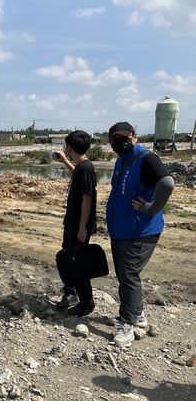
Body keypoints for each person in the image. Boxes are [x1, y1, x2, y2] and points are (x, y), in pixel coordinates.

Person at [106, 122, 175, 347]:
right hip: (122, 230)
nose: (120, 141)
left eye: (124, 137)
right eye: (115, 138)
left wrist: (151, 208)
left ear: (134, 136)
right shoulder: (121, 161)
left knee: (128, 275)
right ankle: (138, 313)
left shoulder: (146, 159)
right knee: (126, 274)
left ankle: (127, 324)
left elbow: (167, 183)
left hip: (139, 231)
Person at [54, 130, 98, 316]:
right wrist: (65, 162)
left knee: (78, 263)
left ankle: (86, 303)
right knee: (69, 258)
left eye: (67, 146)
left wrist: (82, 228)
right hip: (73, 222)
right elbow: (79, 178)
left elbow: (87, 198)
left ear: (70, 147)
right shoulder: (82, 167)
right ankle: (71, 293)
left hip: (78, 225)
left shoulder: (86, 168)